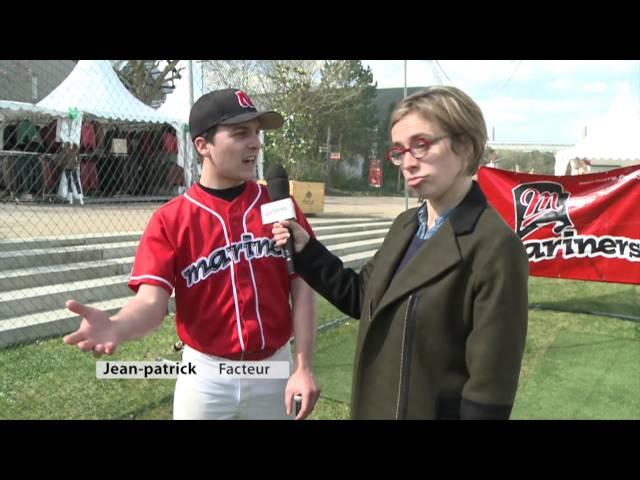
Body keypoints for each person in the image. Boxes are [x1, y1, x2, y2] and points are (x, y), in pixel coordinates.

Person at [273, 86, 529, 420]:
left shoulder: (495, 246)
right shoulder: (407, 224)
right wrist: (307, 249)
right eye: (400, 151)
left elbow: (489, 391)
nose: (407, 163)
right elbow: (362, 297)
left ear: (465, 147)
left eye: (421, 145)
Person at [64, 88, 320, 420]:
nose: (255, 143)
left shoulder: (277, 205)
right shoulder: (170, 219)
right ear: (203, 146)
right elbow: (150, 303)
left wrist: (303, 366)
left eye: (257, 132)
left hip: (274, 368)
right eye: (240, 133)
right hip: (205, 374)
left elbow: (302, 285)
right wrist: (117, 325)